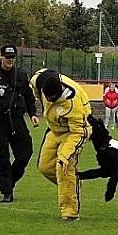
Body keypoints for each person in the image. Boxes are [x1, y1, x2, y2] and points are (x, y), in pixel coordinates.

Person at [0, 45, 39, 203]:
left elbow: (29, 97)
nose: (10, 60)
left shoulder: (22, 76)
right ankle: (7, 191)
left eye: (13, 57)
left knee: (26, 153)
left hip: (17, 121)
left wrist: (33, 114)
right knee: (2, 155)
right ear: (1, 56)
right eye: (7, 57)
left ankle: (8, 182)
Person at [30, 68, 91, 221]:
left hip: (74, 132)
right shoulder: (39, 81)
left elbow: (80, 132)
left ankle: (70, 213)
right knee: (45, 167)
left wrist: (65, 156)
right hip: (54, 129)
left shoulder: (74, 103)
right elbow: (34, 84)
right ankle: (73, 183)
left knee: (63, 167)